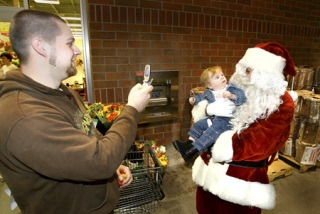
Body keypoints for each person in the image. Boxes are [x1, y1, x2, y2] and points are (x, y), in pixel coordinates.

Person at [0, 10, 153, 214]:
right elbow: (99, 160)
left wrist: (114, 165)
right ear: (41, 47)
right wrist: (132, 109)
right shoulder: (25, 117)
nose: (78, 50)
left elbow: (88, 135)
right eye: (69, 43)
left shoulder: (64, 91)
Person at [192, 42, 297, 214]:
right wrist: (206, 109)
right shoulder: (237, 87)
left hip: (239, 185)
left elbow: (259, 144)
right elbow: (204, 112)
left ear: (267, 75)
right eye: (244, 68)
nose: (243, 74)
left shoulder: (282, 104)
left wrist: (217, 141)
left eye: (250, 70)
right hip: (208, 173)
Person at [172, 66, 246, 162]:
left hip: (228, 120)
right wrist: (194, 100)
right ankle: (189, 144)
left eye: (222, 75)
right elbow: (200, 97)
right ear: (210, 85)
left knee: (211, 130)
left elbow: (242, 96)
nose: (222, 77)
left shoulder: (230, 87)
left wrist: (231, 95)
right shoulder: (208, 92)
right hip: (214, 118)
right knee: (199, 124)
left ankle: (192, 150)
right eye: (217, 77)